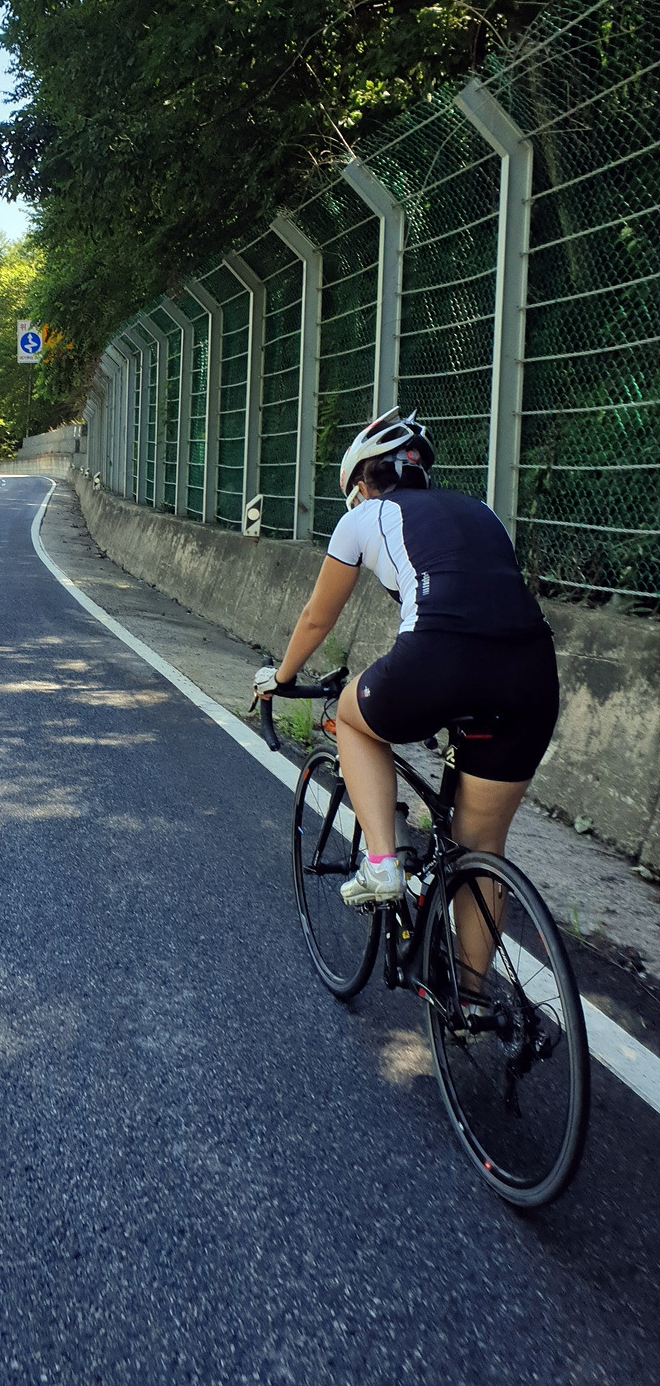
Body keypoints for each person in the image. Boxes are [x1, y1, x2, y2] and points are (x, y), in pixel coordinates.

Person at [253, 410, 558, 977]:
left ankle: (382, 863)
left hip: (440, 656)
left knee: (351, 717)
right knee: (481, 848)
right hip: (532, 673)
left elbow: (318, 617)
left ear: (361, 484)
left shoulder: (364, 516)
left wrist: (282, 676)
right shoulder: (482, 512)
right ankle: (472, 1000)